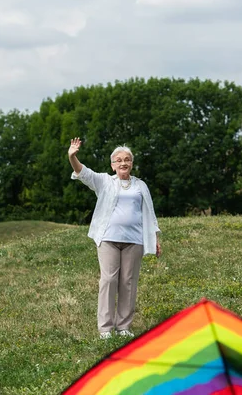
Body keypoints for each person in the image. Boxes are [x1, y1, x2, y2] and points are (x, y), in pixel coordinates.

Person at [68, 137, 162, 339]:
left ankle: (124, 327)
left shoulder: (141, 186)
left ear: (132, 163)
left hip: (134, 240)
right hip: (108, 238)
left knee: (128, 282)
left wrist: (154, 238)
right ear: (112, 165)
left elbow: (149, 213)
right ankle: (105, 328)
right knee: (109, 280)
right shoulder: (104, 181)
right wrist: (72, 156)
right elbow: (82, 172)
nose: (123, 163)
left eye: (127, 159)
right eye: (118, 160)